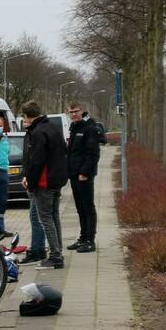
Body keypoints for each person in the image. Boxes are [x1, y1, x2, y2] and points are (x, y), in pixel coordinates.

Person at [20, 100, 68, 269]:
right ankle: (58, 251)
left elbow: (37, 161)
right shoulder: (53, 127)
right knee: (54, 216)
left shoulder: (38, 132)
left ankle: (55, 257)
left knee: (45, 218)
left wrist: (31, 184)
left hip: (45, 181)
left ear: (26, 116)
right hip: (57, 180)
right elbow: (63, 151)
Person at [66, 101, 100, 252]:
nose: (73, 114)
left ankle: (90, 240)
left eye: (76, 111)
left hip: (83, 176)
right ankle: (83, 237)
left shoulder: (89, 128)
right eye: (71, 112)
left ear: (82, 111)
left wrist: (84, 173)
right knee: (80, 208)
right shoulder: (74, 128)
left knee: (88, 207)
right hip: (74, 174)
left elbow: (92, 153)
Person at [17, 114, 47, 264]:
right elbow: (26, 159)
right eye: (23, 120)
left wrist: (30, 179)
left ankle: (36, 251)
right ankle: (39, 248)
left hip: (37, 183)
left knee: (36, 217)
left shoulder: (36, 134)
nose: (25, 123)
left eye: (27, 120)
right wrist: (24, 175)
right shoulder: (28, 135)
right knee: (36, 216)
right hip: (31, 180)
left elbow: (36, 161)